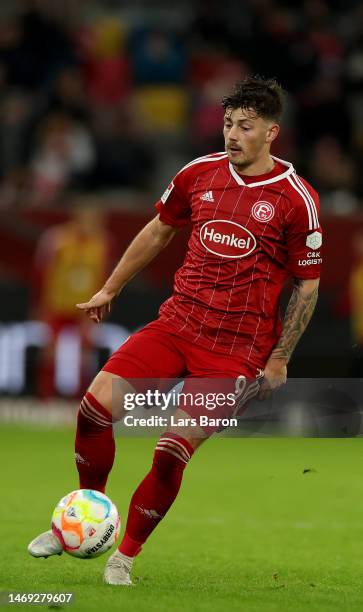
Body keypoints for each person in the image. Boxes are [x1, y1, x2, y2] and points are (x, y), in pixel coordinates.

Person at [28, 76, 322, 584]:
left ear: (272, 132)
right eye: (228, 124)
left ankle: (124, 555)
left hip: (234, 353)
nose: (232, 134)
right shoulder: (199, 174)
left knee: (169, 450)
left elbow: (308, 286)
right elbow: (160, 228)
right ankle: (81, 514)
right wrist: (110, 288)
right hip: (177, 324)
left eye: (245, 127)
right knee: (95, 407)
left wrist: (279, 356)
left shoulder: (297, 200)